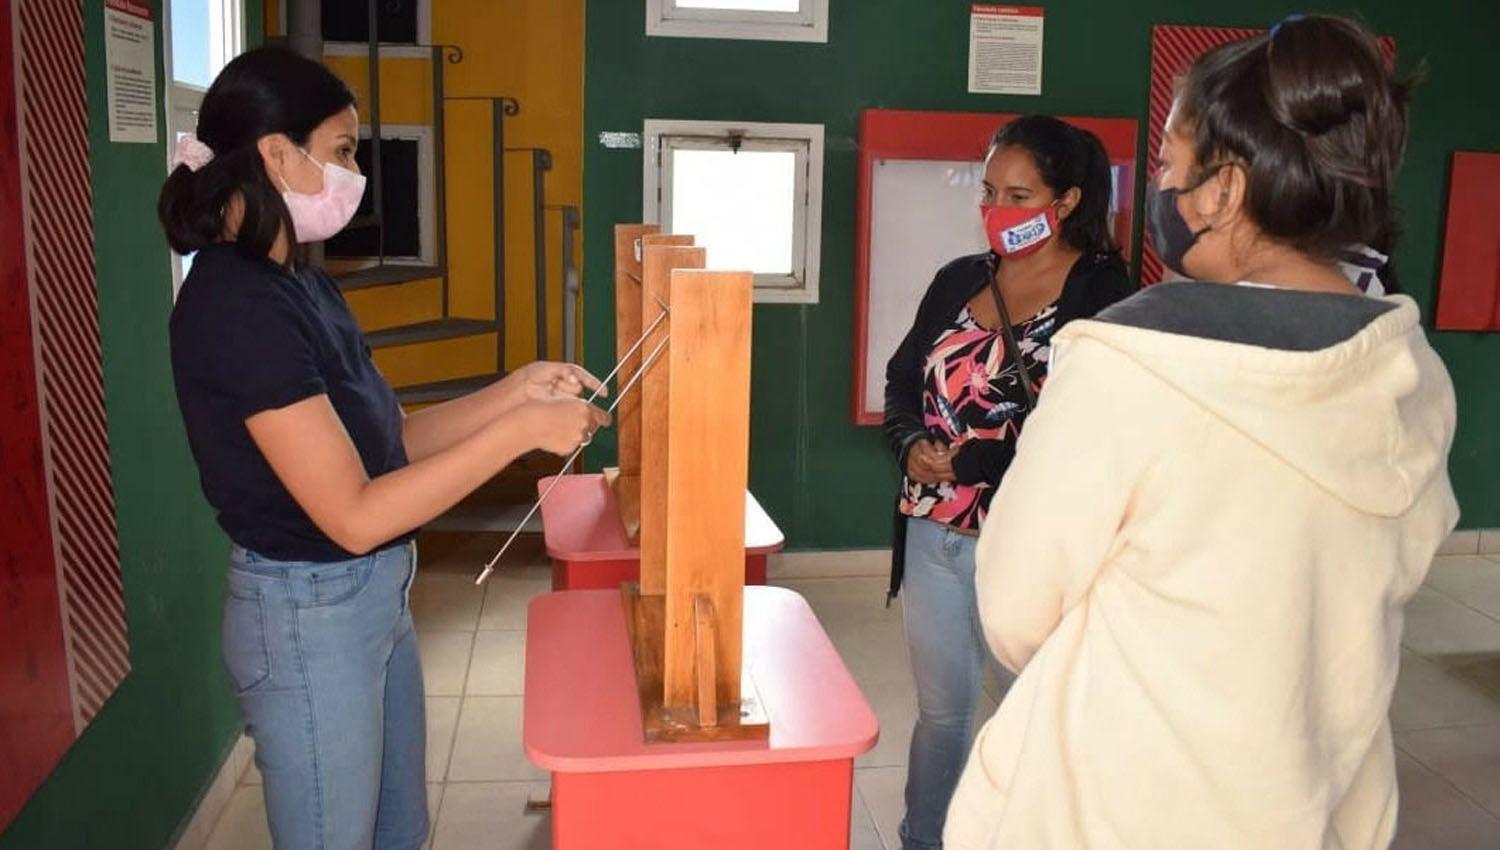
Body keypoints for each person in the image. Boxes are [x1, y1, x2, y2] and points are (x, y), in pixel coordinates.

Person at [944, 16, 1457, 849]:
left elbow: (1015, 611)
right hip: (1314, 805)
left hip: (1119, 810)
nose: (1159, 187)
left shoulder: (1130, 361)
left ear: (1222, 192)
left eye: (1167, 164)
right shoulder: (1410, 367)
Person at [159, 48, 608, 850]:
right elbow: (355, 514)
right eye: (341, 151)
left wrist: (515, 391)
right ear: (275, 154)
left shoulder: (302, 281)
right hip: (308, 616)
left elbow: (393, 438)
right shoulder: (236, 307)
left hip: (373, 598)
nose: (355, 173)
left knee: (399, 831)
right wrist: (517, 436)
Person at [882, 115, 1136, 850]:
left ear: (1066, 201)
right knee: (942, 716)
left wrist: (971, 463)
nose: (996, 208)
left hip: (1032, 543)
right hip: (934, 532)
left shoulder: (1102, 290)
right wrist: (910, 444)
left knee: (1033, 715)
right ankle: (924, 838)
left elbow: (1088, 422)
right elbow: (902, 379)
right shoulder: (960, 278)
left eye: (1018, 195)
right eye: (989, 191)